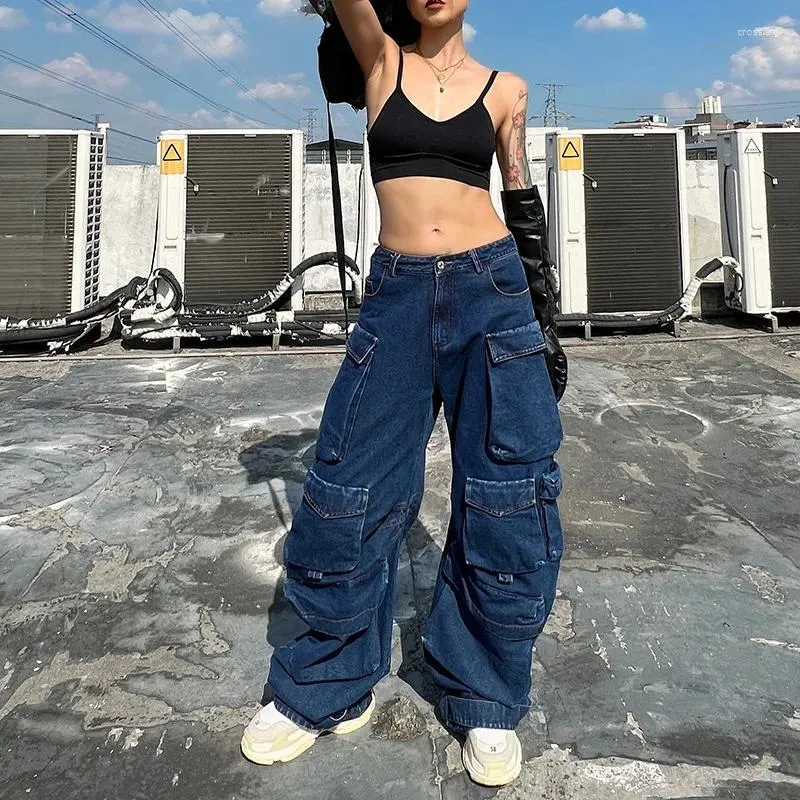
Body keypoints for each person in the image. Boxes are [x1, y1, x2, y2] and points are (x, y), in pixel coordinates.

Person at [241, 0, 567, 787]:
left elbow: (520, 198)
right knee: (347, 484)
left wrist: (544, 316)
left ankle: (485, 696)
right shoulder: (381, 61)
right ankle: (326, 682)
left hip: (493, 293)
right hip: (397, 296)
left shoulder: (507, 89)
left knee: (507, 493)